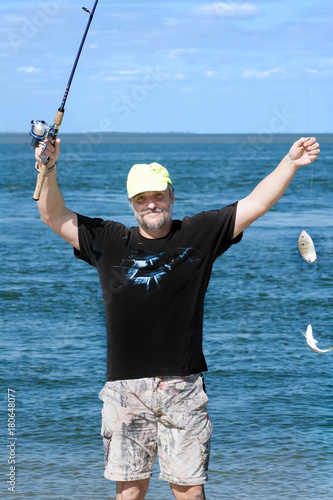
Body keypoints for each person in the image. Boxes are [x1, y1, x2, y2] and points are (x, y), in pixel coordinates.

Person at [34, 136, 320, 500]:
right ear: (132, 205)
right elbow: (52, 215)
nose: (150, 204)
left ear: (171, 196)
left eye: (157, 195)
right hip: (125, 390)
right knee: (130, 493)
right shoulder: (107, 239)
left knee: (189, 492)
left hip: (183, 387)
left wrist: (290, 163)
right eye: (141, 198)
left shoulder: (199, 233)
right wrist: (48, 165)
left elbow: (257, 202)